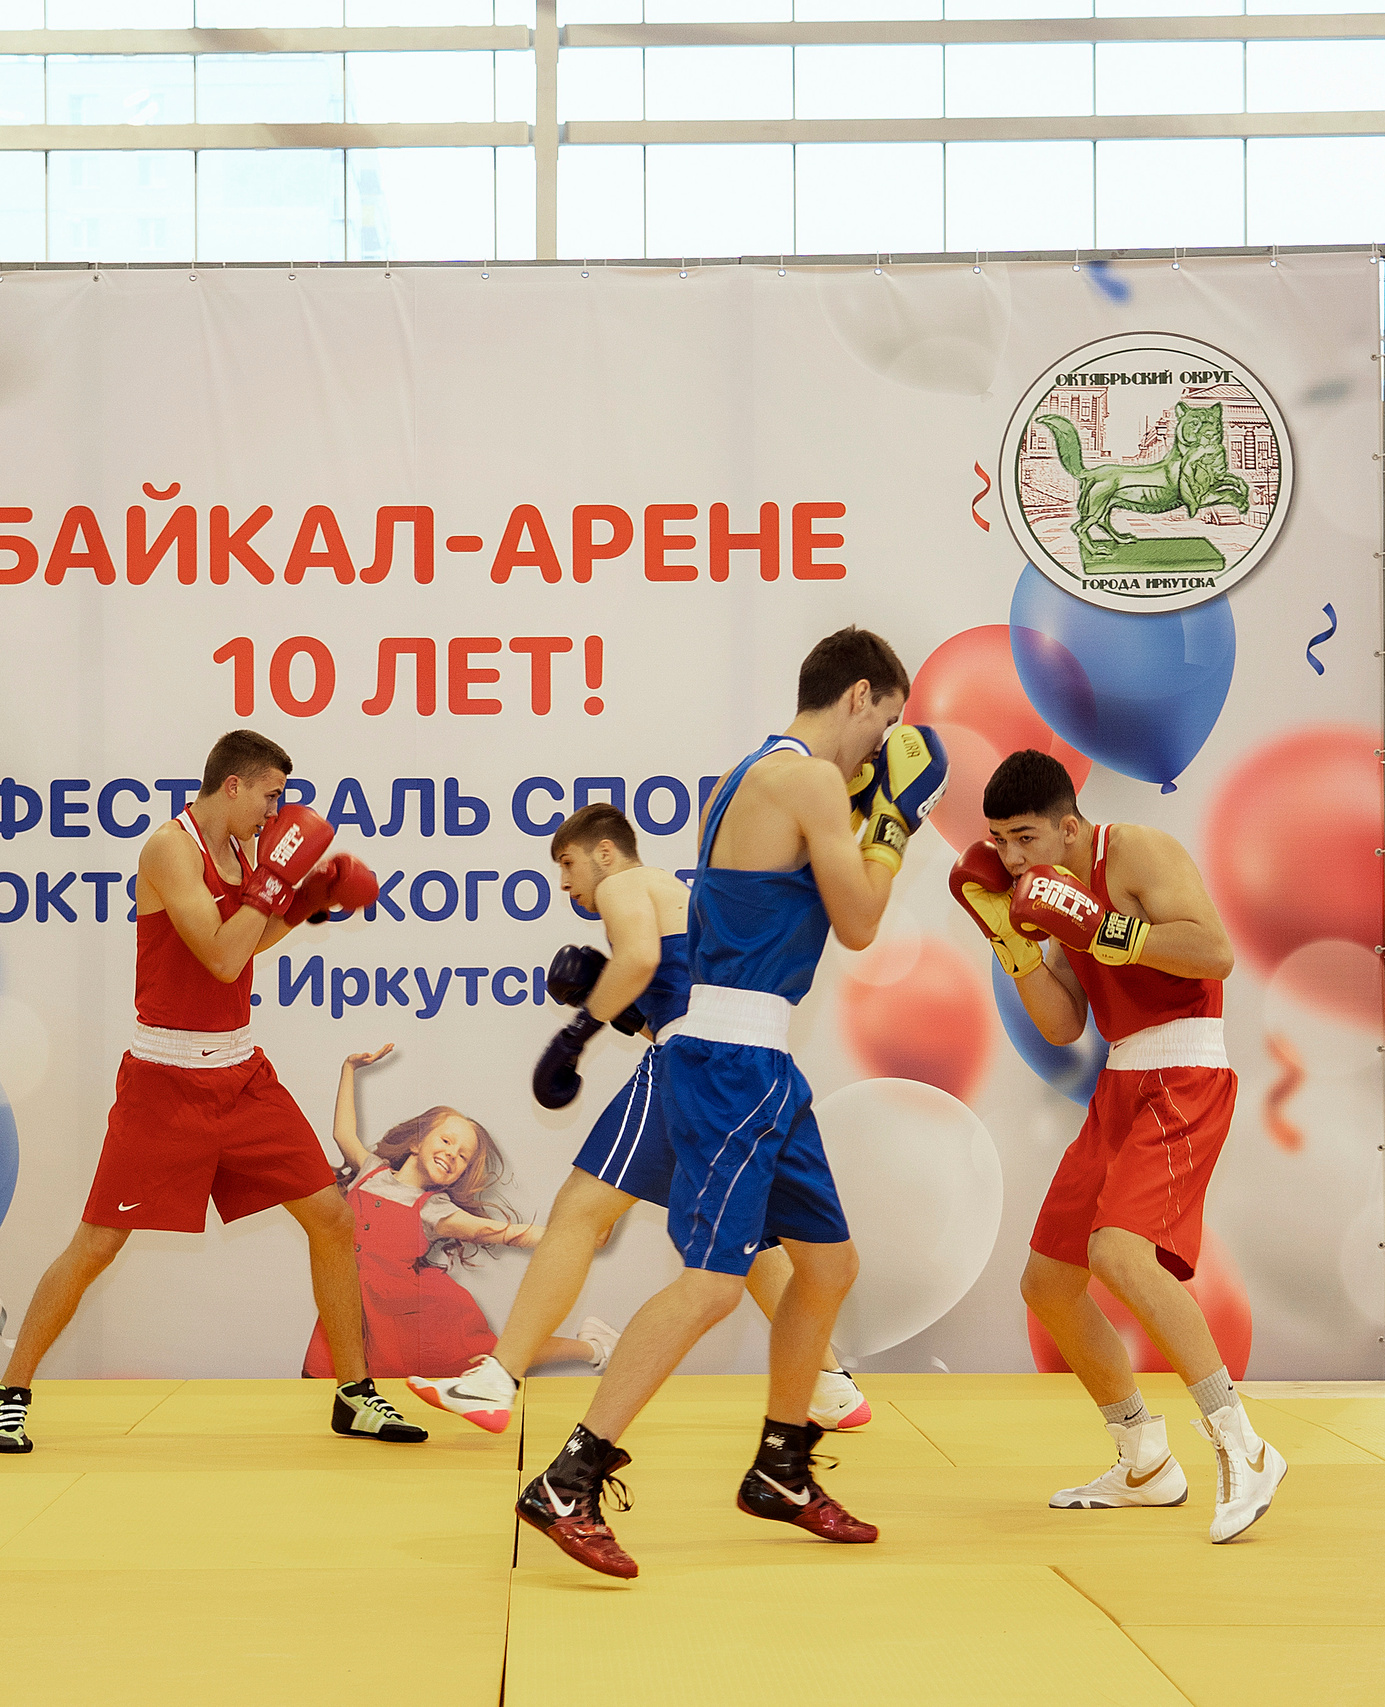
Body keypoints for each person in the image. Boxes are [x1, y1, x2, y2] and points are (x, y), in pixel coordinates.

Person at [516, 627, 942, 1581]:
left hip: (757, 1056)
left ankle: (782, 1466)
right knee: (714, 1282)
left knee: (828, 1266)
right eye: (887, 724)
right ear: (861, 695)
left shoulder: (750, 775)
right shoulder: (810, 783)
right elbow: (863, 924)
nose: (885, 746)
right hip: (734, 1059)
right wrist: (899, 818)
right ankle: (568, 1479)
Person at [0, 729, 422, 1453]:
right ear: (234, 785)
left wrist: (309, 899)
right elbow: (218, 955)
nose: (277, 813)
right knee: (97, 1242)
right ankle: (10, 1392)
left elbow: (247, 939)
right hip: (165, 1079)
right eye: (271, 796)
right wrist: (281, 885)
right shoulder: (168, 849)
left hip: (242, 1074)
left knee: (332, 1218)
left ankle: (355, 1395)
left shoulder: (248, 853)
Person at [405, 804, 870, 1437]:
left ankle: (497, 1379)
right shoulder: (677, 898)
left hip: (691, 1062)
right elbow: (667, 993)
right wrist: (622, 1013)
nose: (564, 884)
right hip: (726, 1066)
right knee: (746, 1236)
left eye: (567, 864)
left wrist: (577, 1034)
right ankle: (831, 1384)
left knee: (579, 1212)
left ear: (604, 852)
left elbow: (641, 961)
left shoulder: (628, 882)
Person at [955, 750, 1281, 1542]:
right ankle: (1143, 1458)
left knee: (1123, 1252)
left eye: (1026, 836)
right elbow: (1066, 1024)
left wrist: (1109, 927)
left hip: (1187, 1067)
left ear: (1069, 824)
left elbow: (1215, 954)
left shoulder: (1136, 851)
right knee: (1048, 1282)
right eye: (999, 840)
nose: (1012, 857)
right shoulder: (1047, 896)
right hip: (1121, 1079)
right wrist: (1016, 945)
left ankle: (1243, 1444)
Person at [302, 1045, 608, 1381]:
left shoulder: (434, 1210)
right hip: (351, 1305)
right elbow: (342, 1133)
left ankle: (596, 1348)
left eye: (463, 1157)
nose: (452, 1154)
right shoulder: (371, 1171)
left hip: (408, 1317)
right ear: (417, 1143)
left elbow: (501, 1232)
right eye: (446, 1141)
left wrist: (580, 1235)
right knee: (328, 1377)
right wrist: (349, 1068)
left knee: (493, 1355)